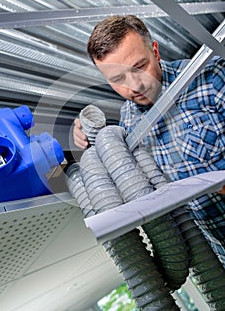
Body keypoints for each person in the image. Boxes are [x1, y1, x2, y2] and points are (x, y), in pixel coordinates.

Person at [73, 15, 225, 266]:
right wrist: (87, 132)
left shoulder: (211, 78)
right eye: (118, 79)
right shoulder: (129, 121)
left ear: (155, 51)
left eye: (139, 66)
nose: (134, 86)